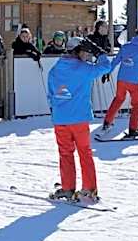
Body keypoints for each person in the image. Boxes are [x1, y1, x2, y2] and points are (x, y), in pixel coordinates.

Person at [46, 38, 112, 201]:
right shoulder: (84, 69)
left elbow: (50, 95)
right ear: (78, 51)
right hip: (79, 120)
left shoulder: (54, 70)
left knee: (65, 153)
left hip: (60, 119)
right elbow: (106, 67)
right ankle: (89, 188)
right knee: (84, 152)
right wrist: (100, 54)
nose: (87, 56)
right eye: (85, 52)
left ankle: (68, 188)